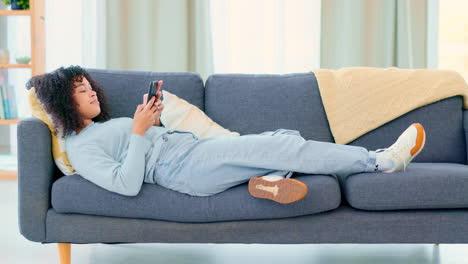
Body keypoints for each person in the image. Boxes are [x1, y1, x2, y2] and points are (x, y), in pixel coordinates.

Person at [27, 65, 426, 204]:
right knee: (284, 144)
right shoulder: (79, 150)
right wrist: (138, 130)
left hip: (195, 152)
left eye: (89, 85)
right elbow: (127, 184)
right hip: (183, 169)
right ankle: (382, 161)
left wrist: (155, 119)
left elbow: (142, 142)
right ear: (64, 102)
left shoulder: (100, 128)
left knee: (283, 136)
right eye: (80, 90)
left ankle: (271, 180)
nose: (91, 91)